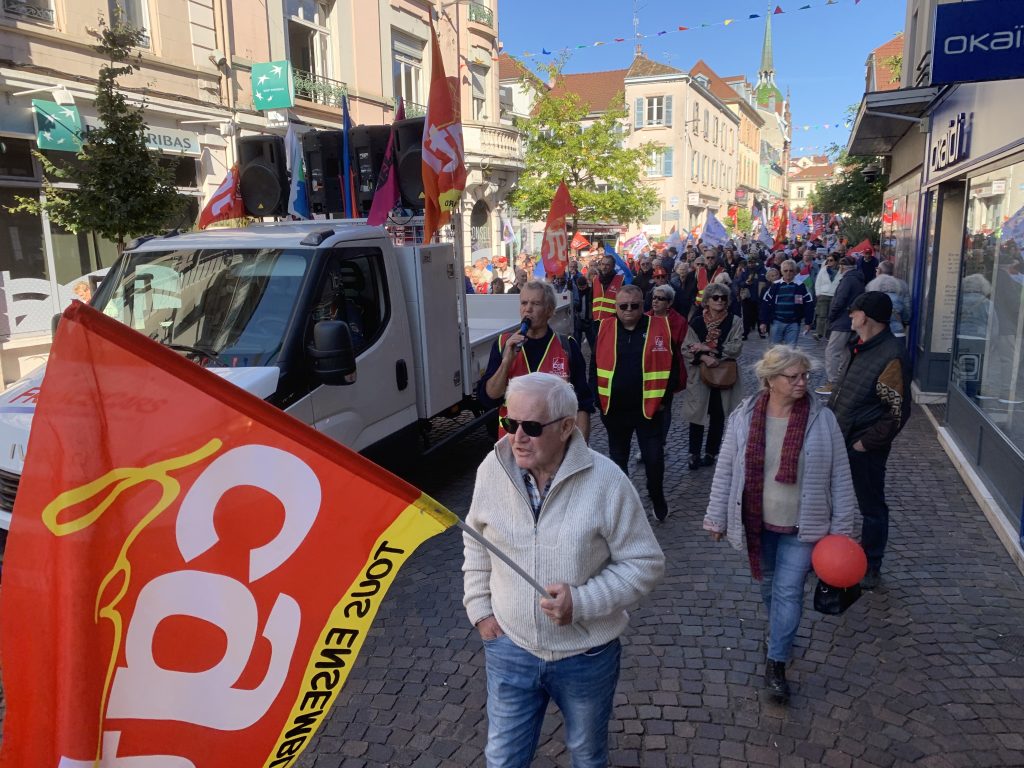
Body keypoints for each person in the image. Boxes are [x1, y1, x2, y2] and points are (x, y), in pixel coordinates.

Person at [463, 372, 665, 768]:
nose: (516, 436)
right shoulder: (492, 468)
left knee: (588, 757)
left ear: (567, 427)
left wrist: (584, 601)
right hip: (510, 647)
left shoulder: (607, 481)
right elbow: (475, 538)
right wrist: (480, 609)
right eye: (509, 421)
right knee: (502, 760)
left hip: (586, 655)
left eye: (532, 427)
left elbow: (645, 562)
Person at [703, 345, 856, 703]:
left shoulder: (823, 420)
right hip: (758, 522)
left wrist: (844, 531)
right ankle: (779, 634)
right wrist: (716, 516)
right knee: (770, 588)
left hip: (804, 526)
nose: (803, 383)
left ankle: (776, 662)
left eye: (806, 376)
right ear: (770, 380)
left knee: (788, 592)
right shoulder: (744, 416)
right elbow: (726, 468)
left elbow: (840, 476)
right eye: (794, 376)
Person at [828, 292, 911, 591]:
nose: (850, 316)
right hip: (841, 436)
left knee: (871, 507)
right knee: (832, 500)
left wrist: (865, 444)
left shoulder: (891, 354)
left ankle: (871, 566)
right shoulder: (860, 346)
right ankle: (833, 558)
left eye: (855, 311)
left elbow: (898, 412)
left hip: (863, 446)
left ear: (867, 317)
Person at [594, 284, 676, 521]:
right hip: (615, 410)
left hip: (649, 410)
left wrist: (664, 402)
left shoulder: (659, 327)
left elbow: (673, 367)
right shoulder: (604, 328)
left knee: (654, 459)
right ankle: (622, 502)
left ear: (643, 305)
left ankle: (657, 495)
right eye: (623, 306)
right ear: (616, 307)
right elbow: (595, 368)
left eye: (634, 305)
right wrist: (600, 404)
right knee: (618, 459)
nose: (628, 310)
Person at [478, 280, 593, 441]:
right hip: (513, 444)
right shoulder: (503, 344)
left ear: (549, 310)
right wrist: (506, 363)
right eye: (524, 303)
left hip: (553, 446)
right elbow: (489, 398)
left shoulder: (567, 346)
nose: (528, 309)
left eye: (536, 303)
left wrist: (580, 451)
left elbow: (582, 403)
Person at [681, 282, 744, 471]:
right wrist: (704, 358)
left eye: (723, 298)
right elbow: (687, 347)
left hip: (724, 373)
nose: (719, 301)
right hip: (700, 373)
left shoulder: (735, 321)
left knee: (718, 414)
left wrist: (709, 349)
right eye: (715, 297)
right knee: (697, 414)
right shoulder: (697, 321)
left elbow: (736, 347)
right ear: (707, 300)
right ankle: (694, 453)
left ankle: (711, 452)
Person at [647, 282, 688, 448]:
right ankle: (648, 443)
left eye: (660, 299)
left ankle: (660, 443)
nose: (655, 301)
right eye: (654, 298)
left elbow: (682, 346)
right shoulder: (645, 318)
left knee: (664, 409)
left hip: (669, 371)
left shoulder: (678, 321)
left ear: (669, 303)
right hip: (647, 370)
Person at [817, 256, 865, 396]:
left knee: (832, 351)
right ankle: (840, 381)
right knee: (844, 352)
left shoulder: (848, 280)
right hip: (849, 319)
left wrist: (831, 316)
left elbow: (839, 300)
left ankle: (833, 382)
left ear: (842, 267)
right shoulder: (858, 279)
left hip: (842, 320)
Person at [759, 259, 813, 347]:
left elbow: (809, 304)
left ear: (795, 272)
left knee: (791, 351)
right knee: (774, 350)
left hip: (793, 323)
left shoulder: (800, 286)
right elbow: (765, 304)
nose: (788, 273)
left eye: (791, 270)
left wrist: (808, 322)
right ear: (781, 271)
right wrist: (763, 322)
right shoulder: (775, 286)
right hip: (777, 322)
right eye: (786, 270)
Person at [813, 253, 842, 340]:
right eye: (827, 260)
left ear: (836, 261)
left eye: (831, 260)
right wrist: (818, 293)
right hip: (824, 294)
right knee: (822, 315)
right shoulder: (823, 270)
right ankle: (819, 333)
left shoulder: (841, 270)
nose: (829, 262)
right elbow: (818, 282)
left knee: (831, 316)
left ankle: (828, 334)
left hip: (834, 295)